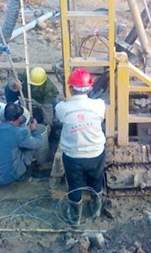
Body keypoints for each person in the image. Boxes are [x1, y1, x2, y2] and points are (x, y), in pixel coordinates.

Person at [55, 68, 105, 226]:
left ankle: (75, 217)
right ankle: (95, 209)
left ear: (70, 88)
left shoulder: (62, 108)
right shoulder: (99, 105)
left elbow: (61, 118)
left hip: (73, 156)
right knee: (96, 180)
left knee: (74, 185)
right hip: (96, 153)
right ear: (90, 88)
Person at [0, 103, 42, 186]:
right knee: (32, 147)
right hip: (5, 177)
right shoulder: (19, 133)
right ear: (19, 118)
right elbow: (39, 143)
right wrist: (34, 130)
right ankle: (25, 173)